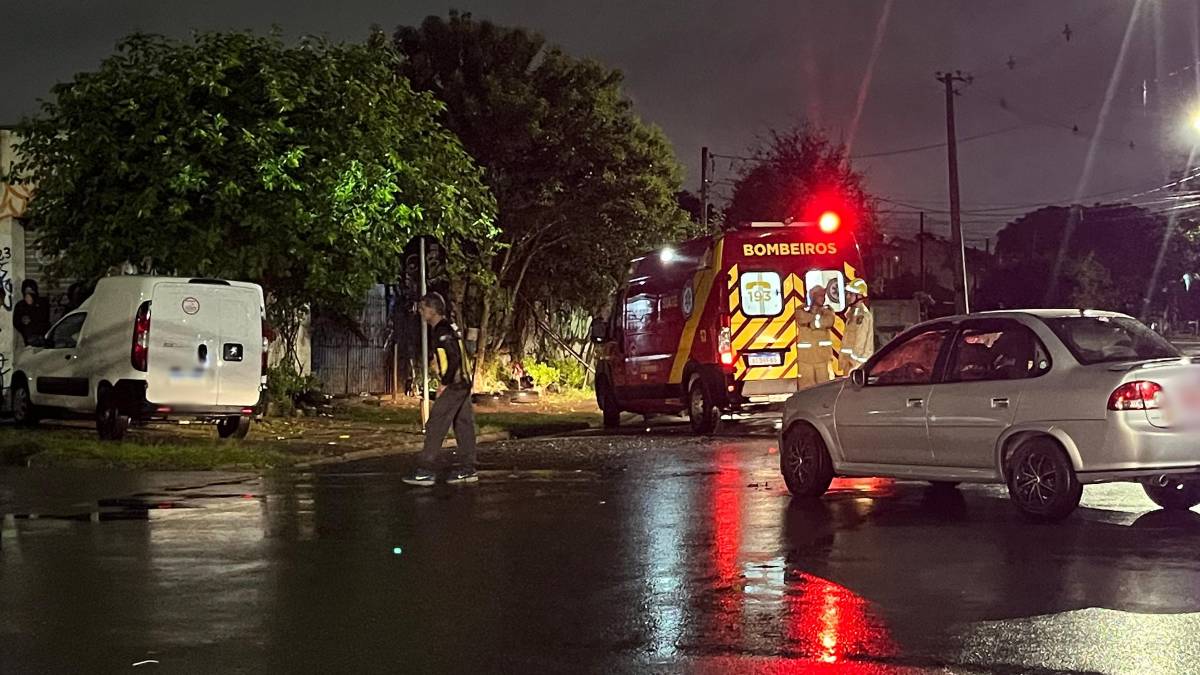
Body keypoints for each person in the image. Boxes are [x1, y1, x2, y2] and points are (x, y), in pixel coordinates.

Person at [403, 293, 478, 486]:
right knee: (463, 424)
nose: (420, 312)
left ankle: (426, 470)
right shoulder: (449, 327)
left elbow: (453, 358)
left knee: (436, 423)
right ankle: (468, 469)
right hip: (464, 382)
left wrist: (444, 383)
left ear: (432, 309)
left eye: (422, 308)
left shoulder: (441, 331)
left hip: (454, 384)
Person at [795, 284, 836, 387]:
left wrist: (811, 322)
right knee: (806, 388)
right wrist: (817, 319)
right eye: (820, 296)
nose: (823, 298)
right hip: (806, 359)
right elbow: (801, 318)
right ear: (813, 297)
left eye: (824, 296)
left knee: (825, 388)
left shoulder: (828, 311)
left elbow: (828, 321)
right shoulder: (801, 310)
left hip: (823, 358)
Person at [839, 278, 875, 375]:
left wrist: (853, 362)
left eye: (851, 294)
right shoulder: (853, 314)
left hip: (856, 365)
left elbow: (860, 342)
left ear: (859, 296)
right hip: (849, 363)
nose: (847, 296)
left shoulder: (862, 316)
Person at [13, 280, 50, 346]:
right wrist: (22, 321)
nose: (28, 294)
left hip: (43, 338)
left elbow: (44, 318)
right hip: (29, 340)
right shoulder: (20, 305)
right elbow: (16, 322)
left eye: (31, 291)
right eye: (26, 292)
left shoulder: (43, 303)